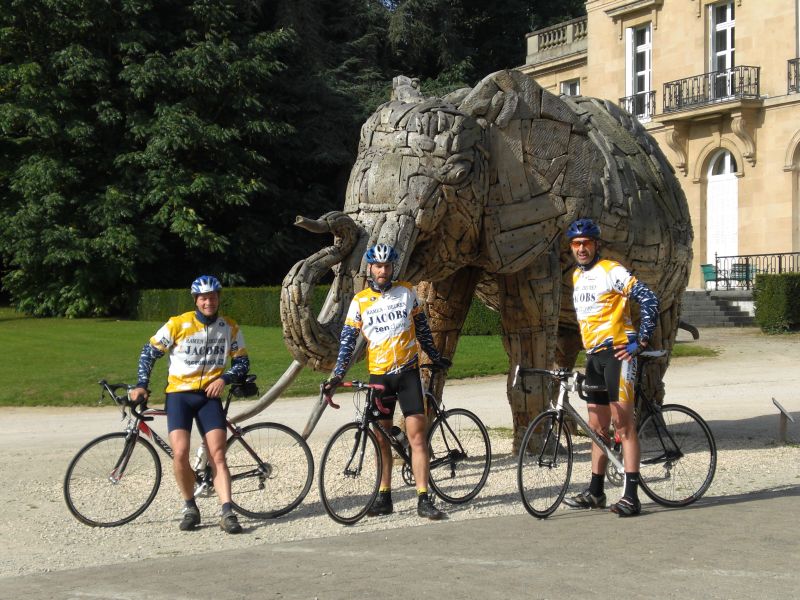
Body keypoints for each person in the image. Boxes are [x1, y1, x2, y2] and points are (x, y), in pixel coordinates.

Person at [323, 243, 451, 520]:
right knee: (381, 439)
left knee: (417, 437)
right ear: (370, 269)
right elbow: (347, 343)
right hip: (379, 377)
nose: (383, 270)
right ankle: (384, 496)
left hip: (407, 374)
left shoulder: (406, 293)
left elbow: (423, 330)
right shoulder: (359, 302)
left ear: (393, 268)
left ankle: (423, 498)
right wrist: (336, 376)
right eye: (378, 266)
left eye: (387, 266)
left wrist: (434, 356)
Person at [130, 275, 250, 533]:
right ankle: (190, 507)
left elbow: (242, 363)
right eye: (204, 298)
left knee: (218, 455)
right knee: (181, 453)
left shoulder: (229, 326)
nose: (209, 302)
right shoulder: (178, 324)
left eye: (213, 297)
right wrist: (141, 384)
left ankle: (227, 512)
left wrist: (225, 378)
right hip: (180, 396)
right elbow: (148, 353)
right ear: (196, 300)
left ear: (218, 298)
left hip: (209, 397)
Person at [564, 219, 660, 517]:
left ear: (596, 245)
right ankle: (595, 492)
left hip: (619, 353)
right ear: (571, 248)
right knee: (597, 429)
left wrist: (641, 341)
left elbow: (648, 298)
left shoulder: (611, 270)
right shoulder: (576, 278)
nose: (581, 248)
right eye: (576, 244)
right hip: (594, 357)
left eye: (586, 243)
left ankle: (632, 496)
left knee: (623, 425)